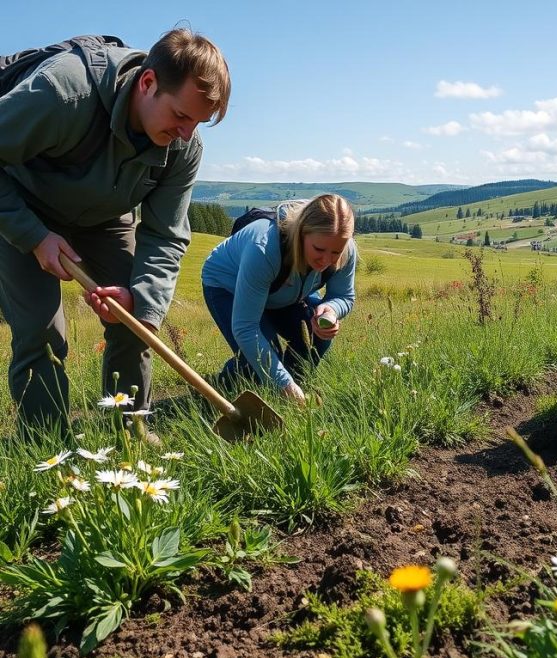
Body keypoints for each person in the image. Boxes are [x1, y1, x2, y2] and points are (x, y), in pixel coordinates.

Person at [0, 29, 230, 438]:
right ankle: (47, 447)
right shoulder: (63, 93)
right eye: (180, 116)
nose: (186, 134)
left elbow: (165, 235)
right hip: (21, 205)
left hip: (105, 216)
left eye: (198, 123)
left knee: (137, 315)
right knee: (41, 329)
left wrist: (146, 302)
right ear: (147, 83)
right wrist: (33, 235)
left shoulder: (183, 147)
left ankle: (129, 434)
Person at [201, 194, 357, 402]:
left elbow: (343, 295)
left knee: (315, 337)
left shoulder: (345, 249)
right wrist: (283, 383)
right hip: (227, 286)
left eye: (336, 252)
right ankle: (220, 389)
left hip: (283, 292)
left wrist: (331, 309)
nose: (327, 260)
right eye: (319, 249)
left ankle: (286, 395)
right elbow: (246, 328)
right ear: (301, 233)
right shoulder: (264, 248)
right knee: (259, 359)